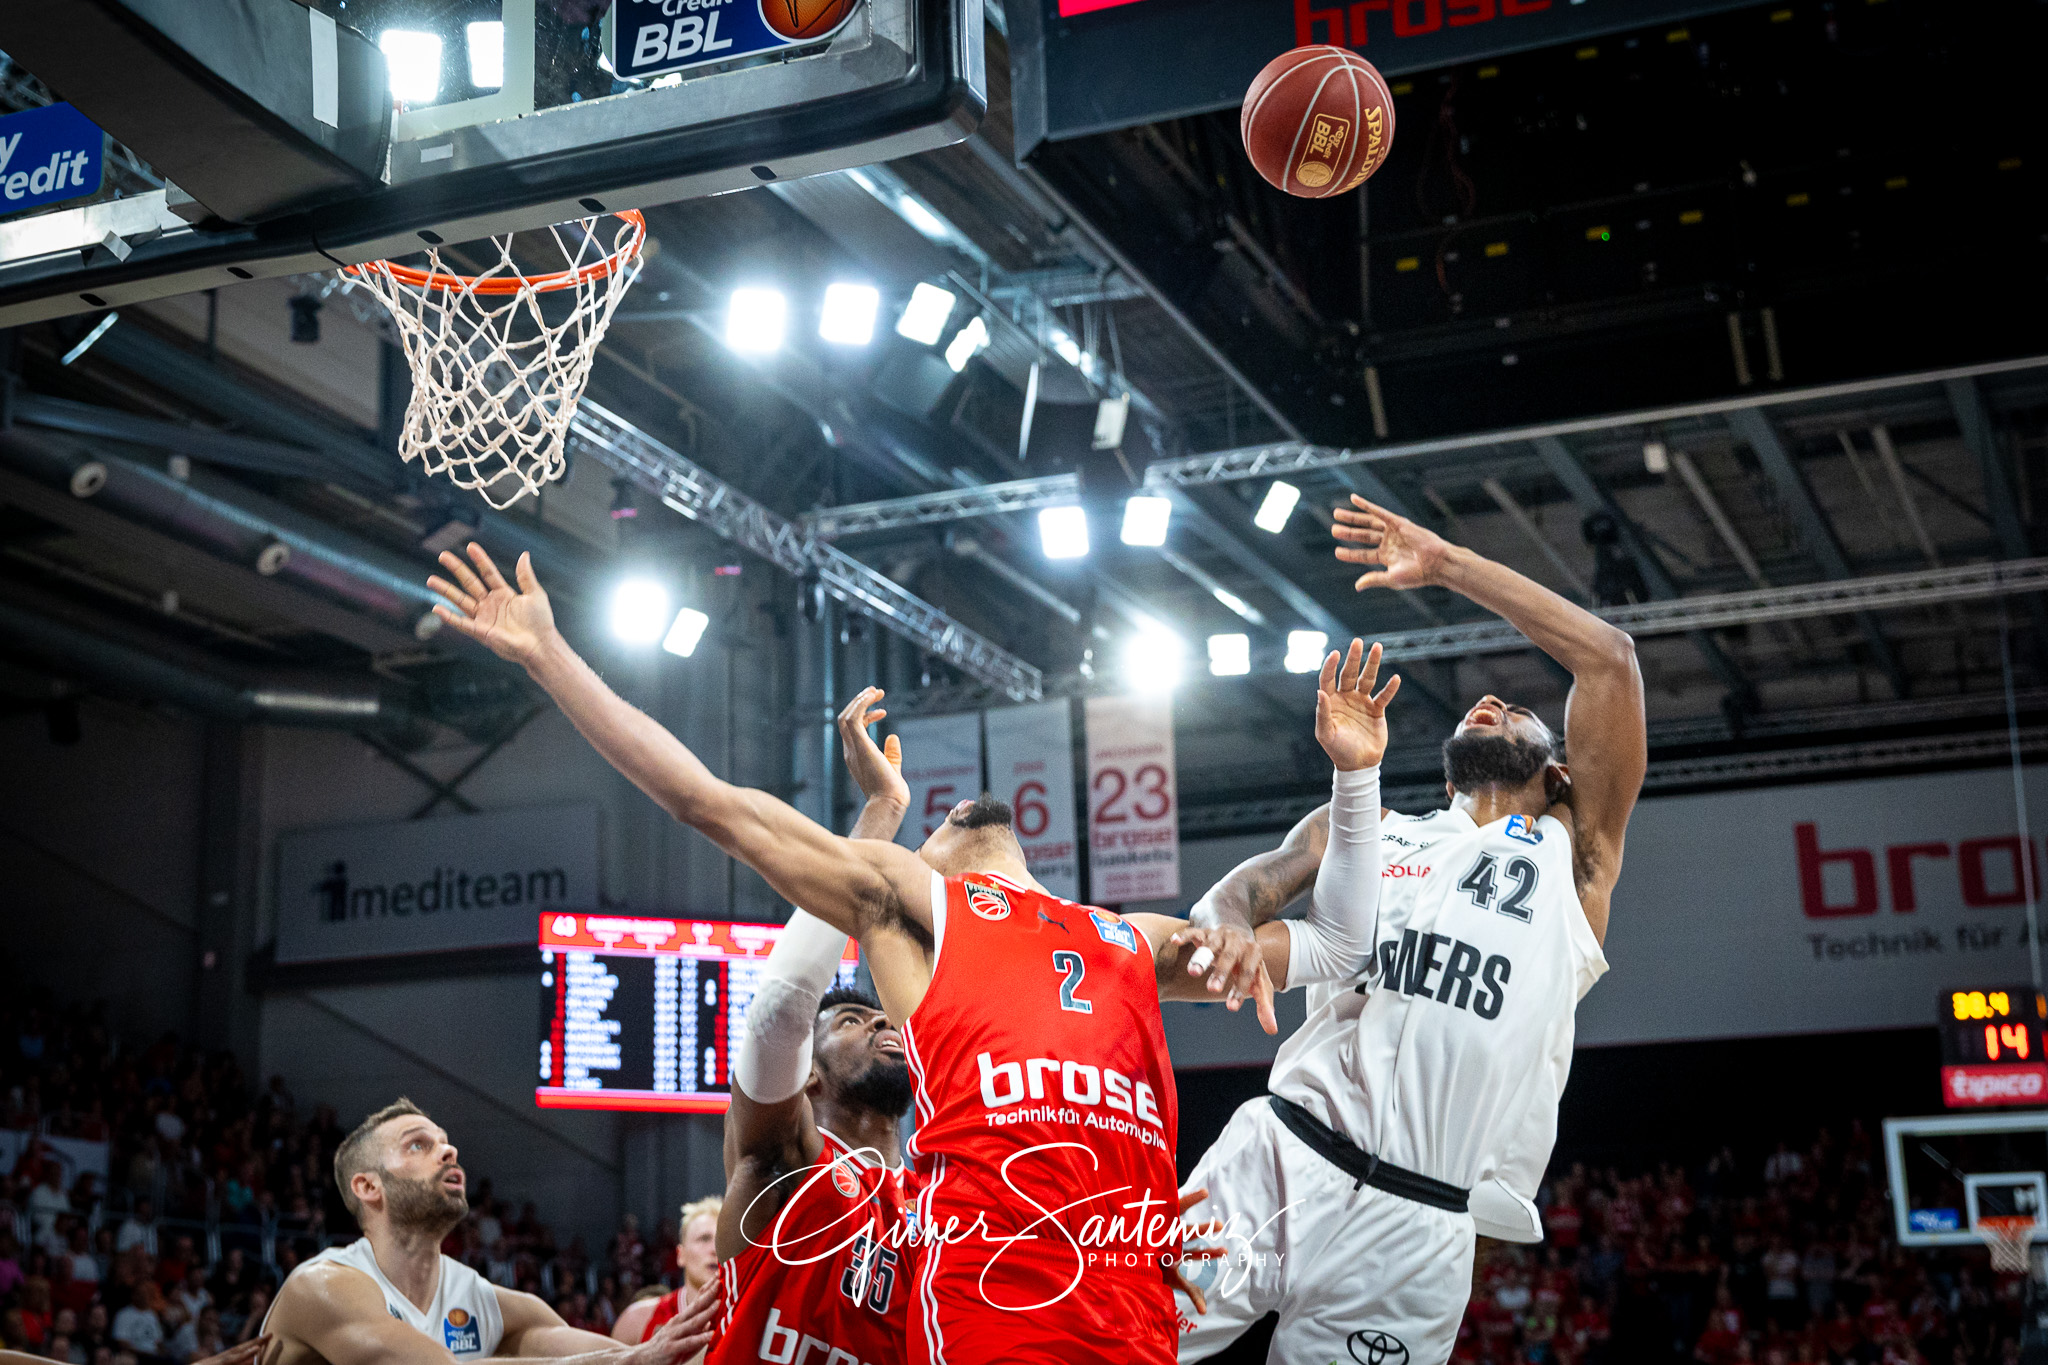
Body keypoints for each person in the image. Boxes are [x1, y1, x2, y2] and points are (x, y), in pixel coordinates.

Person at [425, 546, 1398, 1365]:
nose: (946, 814)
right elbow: (705, 802)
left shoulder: (1125, 938)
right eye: (918, 825)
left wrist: (1354, 782)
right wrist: (549, 654)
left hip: (1136, 1321)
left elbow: (1339, 942)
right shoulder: (911, 905)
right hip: (994, 1320)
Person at [1174, 493, 1645, 1364]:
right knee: (1106, 1345)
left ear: (1562, 770)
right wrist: (1226, 919)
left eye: (1518, 711)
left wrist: (1448, 564)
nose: (1492, 697)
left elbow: (1611, 661)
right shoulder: (1367, 826)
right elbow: (1247, 891)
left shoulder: (1572, 857)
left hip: (1419, 1221)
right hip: (1279, 1152)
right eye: (1484, 703)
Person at [259, 1099, 717, 1365]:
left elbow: (646, 1358)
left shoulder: (488, 1302)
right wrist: (628, 1361)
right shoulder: (321, 1286)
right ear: (368, 1187)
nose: (448, 1150)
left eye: (444, 1141)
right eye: (418, 1145)